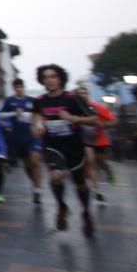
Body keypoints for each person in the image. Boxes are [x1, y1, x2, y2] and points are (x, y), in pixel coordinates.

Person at [32, 64, 95, 236]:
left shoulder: (73, 99)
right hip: (52, 146)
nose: (49, 80)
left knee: (80, 183)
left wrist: (72, 118)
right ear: (42, 80)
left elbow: (95, 119)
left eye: (53, 76)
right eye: (46, 77)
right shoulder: (39, 101)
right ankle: (62, 207)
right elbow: (36, 120)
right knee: (56, 176)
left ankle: (86, 212)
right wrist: (37, 128)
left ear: (60, 79)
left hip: (73, 147)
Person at [0, 78, 43, 205]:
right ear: (13, 88)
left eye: (21, 86)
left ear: (24, 87)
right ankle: (34, 184)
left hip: (32, 137)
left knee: (35, 162)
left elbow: (40, 115)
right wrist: (13, 113)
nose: (19, 89)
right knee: (27, 165)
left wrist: (39, 125)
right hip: (18, 138)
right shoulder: (9, 101)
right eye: (16, 87)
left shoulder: (32, 101)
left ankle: (38, 189)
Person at [75, 85, 116, 200]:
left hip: (100, 140)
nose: (82, 96)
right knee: (91, 162)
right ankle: (97, 189)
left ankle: (108, 171)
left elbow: (113, 121)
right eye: (80, 94)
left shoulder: (97, 108)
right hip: (85, 141)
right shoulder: (74, 109)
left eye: (84, 93)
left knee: (102, 162)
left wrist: (104, 124)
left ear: (88, 95)